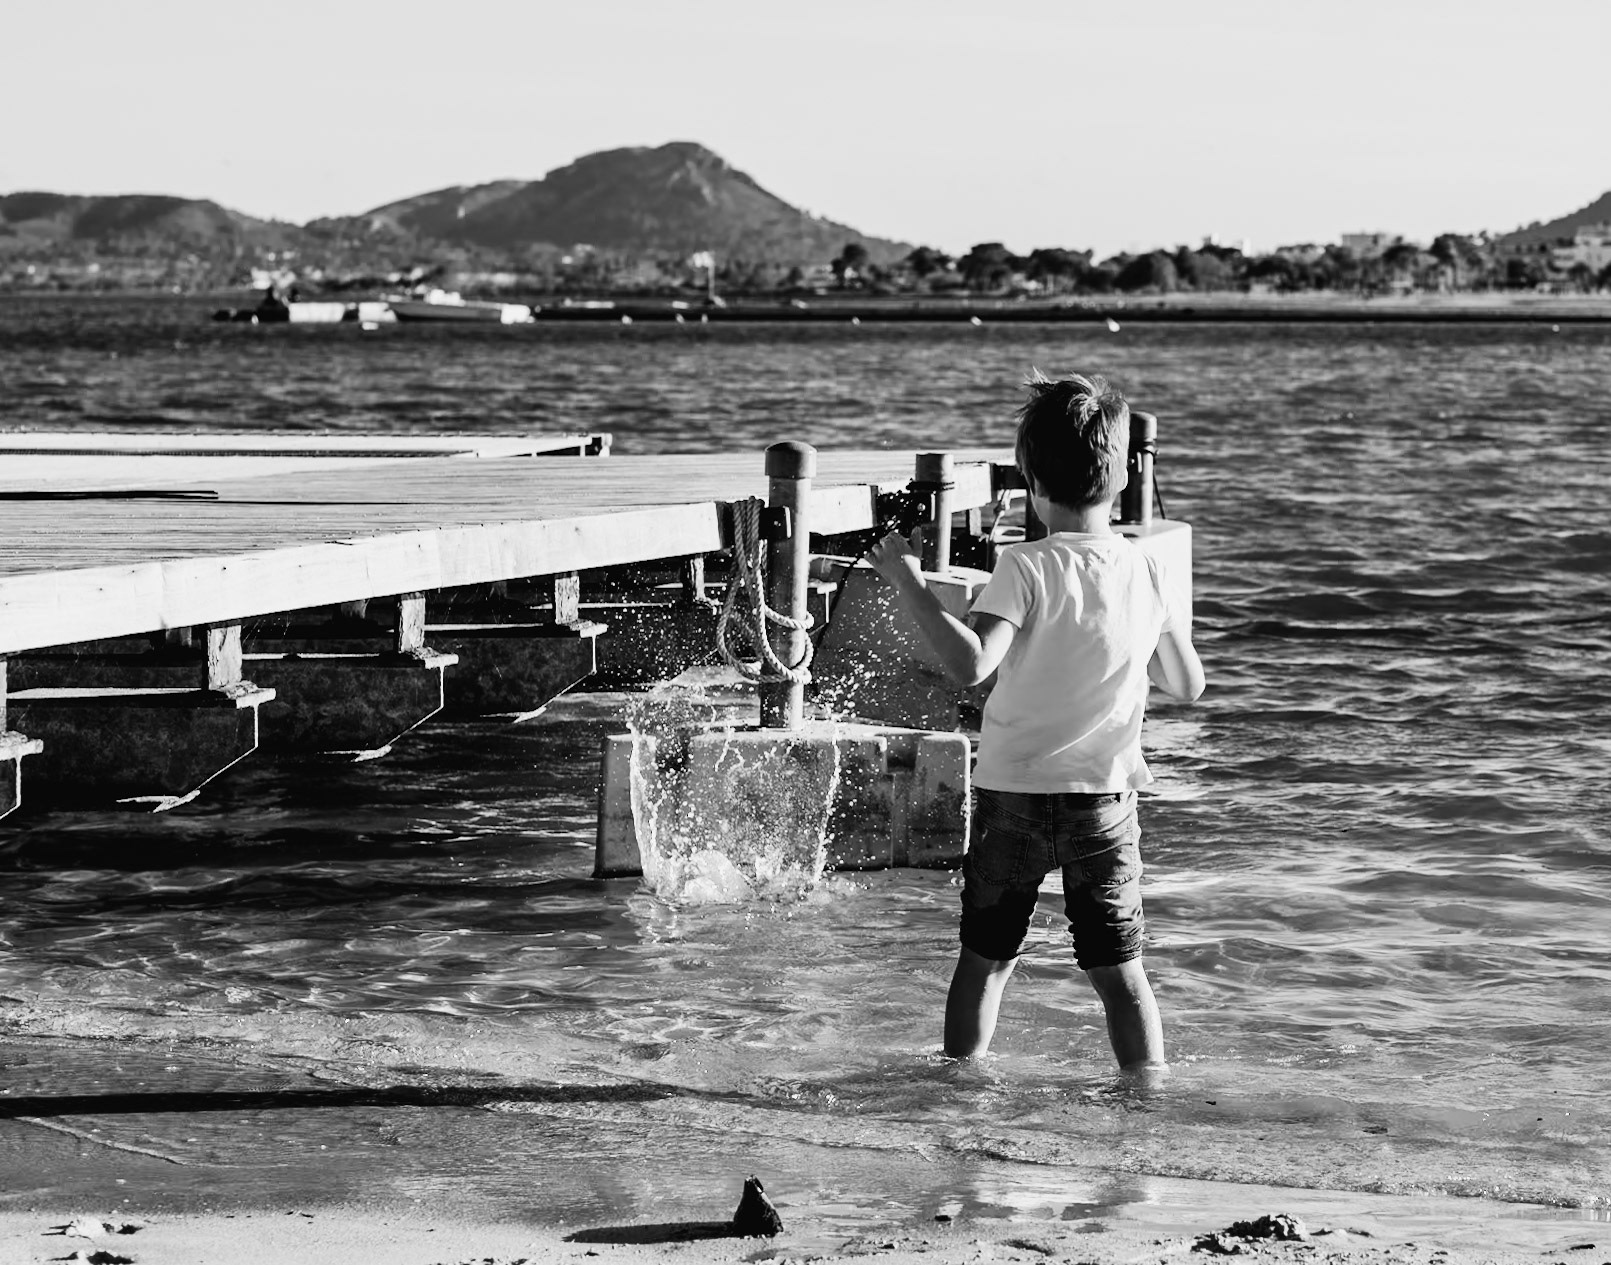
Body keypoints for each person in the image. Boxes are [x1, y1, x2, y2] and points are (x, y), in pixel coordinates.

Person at [869, 371, 1204, 1073]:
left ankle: (962, 1090)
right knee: (1120, 974)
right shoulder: (1144, 568)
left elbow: (970, 667)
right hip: (1104, 802)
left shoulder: (1022, 566)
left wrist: (906, 582)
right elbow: (1186, 683)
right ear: (1117, 481)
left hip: (1014, 794)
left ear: (1030, 481)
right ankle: (1144, 1103)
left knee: (986, 961)